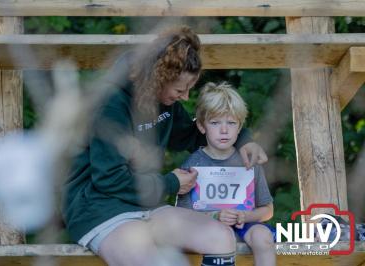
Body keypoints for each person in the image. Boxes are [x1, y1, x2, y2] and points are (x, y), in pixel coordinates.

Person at [62, 26, 267, 266]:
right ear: (158, 78)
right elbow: (109, 179)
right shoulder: (111, 104)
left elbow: (192, 135)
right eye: (181, 89)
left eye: (189, 88)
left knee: (220, 237)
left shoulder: (164, 101)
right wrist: (171, 183)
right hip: (100, 210)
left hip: (147, 207)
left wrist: (244, 140)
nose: (185, 97)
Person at [177, 82, 276, 266]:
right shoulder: (193, 165)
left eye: (231, 123)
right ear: (201, 126)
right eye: (215, 123)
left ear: (240, 127)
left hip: (244, 225)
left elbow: (268, 210)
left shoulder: (249, 161)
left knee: (264, 236)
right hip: (206, 228)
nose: (224, 130)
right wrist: (215, 216)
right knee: (222, 236)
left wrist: (246, 216)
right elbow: (182, 215)